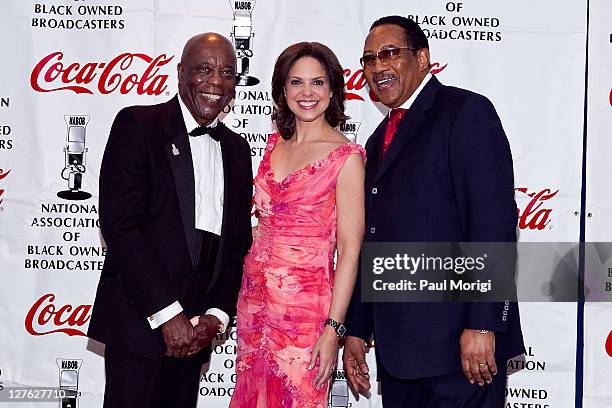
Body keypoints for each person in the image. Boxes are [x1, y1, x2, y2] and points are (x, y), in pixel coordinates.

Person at [342, 16, 525, 407]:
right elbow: (373, 240)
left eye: (390, 53)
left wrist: (482, 322)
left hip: (461, 352)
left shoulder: (466, 112)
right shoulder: (377, 141)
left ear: (423, 58)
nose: (378, 67)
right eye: (369, 59)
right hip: (399, 355)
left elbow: (493, 223)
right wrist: (357, 327)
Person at [87, 33, 253, 408]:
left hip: (197, 332)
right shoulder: (138, 125)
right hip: (140, 321)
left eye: (227, 73)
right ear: (180, 74)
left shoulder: (238, 150)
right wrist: (167, 315)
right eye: (204, 70)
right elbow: (122, 228)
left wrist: (215, 316)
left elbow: (237, 244)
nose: (216, 82)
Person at [229, 42, 365, 407]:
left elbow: (350, 252)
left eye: (318, 83)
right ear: (282, 89)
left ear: (333, 89)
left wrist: (333, 329)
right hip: (254, 300)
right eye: (296, 82)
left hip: (306, 313)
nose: (307, 93)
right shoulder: (274, 145)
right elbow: (267, 220)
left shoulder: (346, 158)